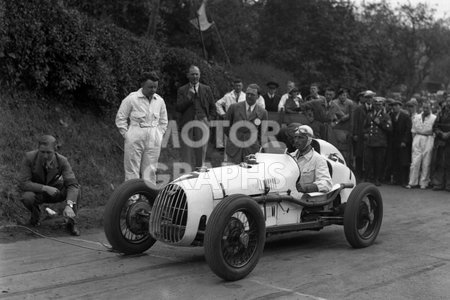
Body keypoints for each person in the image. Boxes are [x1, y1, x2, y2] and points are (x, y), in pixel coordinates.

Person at [18, 135, 80, 236]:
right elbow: (23, 183)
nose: (45, 156)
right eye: (42, 152)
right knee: (27, 197)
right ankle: (35, 216)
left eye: (49, 152)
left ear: (55, 151)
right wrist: (45, 188)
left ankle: (71, 222)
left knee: (77, 189)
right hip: (39, 193)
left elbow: (72, 184)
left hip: (57, 192)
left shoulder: (63, 161)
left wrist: (69, 205)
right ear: (38, 149)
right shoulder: (29, 158)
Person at [116, 72, 168, 184]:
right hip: (135, 136)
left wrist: (159, 134)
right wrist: (127, 135)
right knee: (132, 170)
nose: (153, 89)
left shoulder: (159, 101)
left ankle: (148, 198)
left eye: (155, 87)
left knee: (150, 170)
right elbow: (121, 118)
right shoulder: (132, 98)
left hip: (154, 138)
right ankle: (132, 199)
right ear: (142, 85)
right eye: (150, 87)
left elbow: (164, 121)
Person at [176, 65, 217, 170]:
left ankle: (200, 171)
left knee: (201, 149)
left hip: (202, 121)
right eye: (192, 74)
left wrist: (209, 120)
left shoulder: (206, 89)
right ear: (188, 75)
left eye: (197, 74)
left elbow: (213, 107)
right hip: (187, 123)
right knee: (186, 151)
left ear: (200, 75)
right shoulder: (182, 90)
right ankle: (187, 173)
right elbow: (179, 108)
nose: (195, 76)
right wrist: (189, 97)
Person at [225, 84, 268, 164]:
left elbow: (263, 134)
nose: (249, 96)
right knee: (231, 172)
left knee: (248, 174)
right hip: (234, 148)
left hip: (251, 150)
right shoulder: (234, 107)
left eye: (252, 94)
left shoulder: (263, 112)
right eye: (247, 93)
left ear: (258, 96)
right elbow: (226, 127)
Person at [291, 125, 332, 193]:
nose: (296, 141)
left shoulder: (318, 159)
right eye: (295, 137)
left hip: (305, 200)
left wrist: (307, 188)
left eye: (301, 137)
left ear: (309, 140)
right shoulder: (290, 157)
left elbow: (327, 184)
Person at [406, 101, 436, 189]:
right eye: (424, 107)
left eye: (427, 108)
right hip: (418, 137)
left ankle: (424, 182)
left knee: (426, 162)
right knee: (415, 161)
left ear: (430, 108)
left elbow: (434, 130)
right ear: (422, 108)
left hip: (429, 138)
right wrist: (414, 140)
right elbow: (413, 130)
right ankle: (412, 182)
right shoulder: (417, 117)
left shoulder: (434, 118)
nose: (425, 109)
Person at [363, 96, 392, 186]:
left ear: (382, 106)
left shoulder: (385, 116)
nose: (377, 106)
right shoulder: (369, 114)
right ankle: (367, 178)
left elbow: (389, 128)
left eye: (379, 105)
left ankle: (377, 179)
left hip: (380, 142)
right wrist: (366, 133)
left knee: (378, 162)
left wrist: (380, 123)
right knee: (368, 161)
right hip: (370, 142)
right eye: (376, 104)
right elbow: (365, 126)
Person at [352, 90, 375, 180]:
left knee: (369, 157)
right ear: (365, 99)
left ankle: (368, 176)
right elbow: (355, 121)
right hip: (360, 135)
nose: (369, 100)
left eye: (371, 98)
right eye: (368, 98)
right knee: (359, 155)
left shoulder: (374, 108)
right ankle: (358, 176)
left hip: (371, 136)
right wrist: (355, 134)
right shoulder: (359, 108)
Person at [389, 100, 412, 186]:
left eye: (396, 105)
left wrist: (404, 141)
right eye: (393, 106)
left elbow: (408, 130)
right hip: (394, 142)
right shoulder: (392, 115)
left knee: (404, 162)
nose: (394, 107)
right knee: (395, 161)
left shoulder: (405, 117)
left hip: (403, 143)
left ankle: (404, 181)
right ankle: (396, 179)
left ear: (400, 106)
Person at [431, 96, 450, 191]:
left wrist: (448, 134)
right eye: (448, 100)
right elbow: (435, 126)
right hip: (441, 141)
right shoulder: (441, 113)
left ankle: (448, 184)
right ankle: (438, 183)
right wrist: (441, 134)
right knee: (439, 162)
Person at [332, 88, 354, 166]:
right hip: (337, 127)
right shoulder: (334, 102)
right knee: (338, 147)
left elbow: (352, 113)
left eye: (344, 95)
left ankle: (347, 165)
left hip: (347, 128)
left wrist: (346, 116)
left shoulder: (350, 103)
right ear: (338, 96)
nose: (342, 97)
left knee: (347, 148)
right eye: (341, 95)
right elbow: (333, 113)